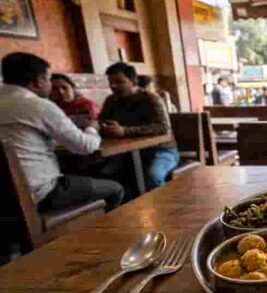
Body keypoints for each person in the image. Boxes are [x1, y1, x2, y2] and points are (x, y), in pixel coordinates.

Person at [0, 52, 124, 212]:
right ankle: (98, 234)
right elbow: (85, 147)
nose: (51, 87)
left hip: (5, 198)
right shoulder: (39, 105)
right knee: (115, 189)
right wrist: (92, 128)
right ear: (39, 81)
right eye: (48, 79)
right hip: (40, 194)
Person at [99, 62, 179, 193]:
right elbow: (102, 121)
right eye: (111, 82)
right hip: (126, 153)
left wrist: (125, 131)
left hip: (161, 150)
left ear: (133, 81)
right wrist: (102, 127)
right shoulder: (111, 100)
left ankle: (165, 210)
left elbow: (163, 127)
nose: (113, 86)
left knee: (153, 177)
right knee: (105, 175)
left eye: (119, 82)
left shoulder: (151, 99)